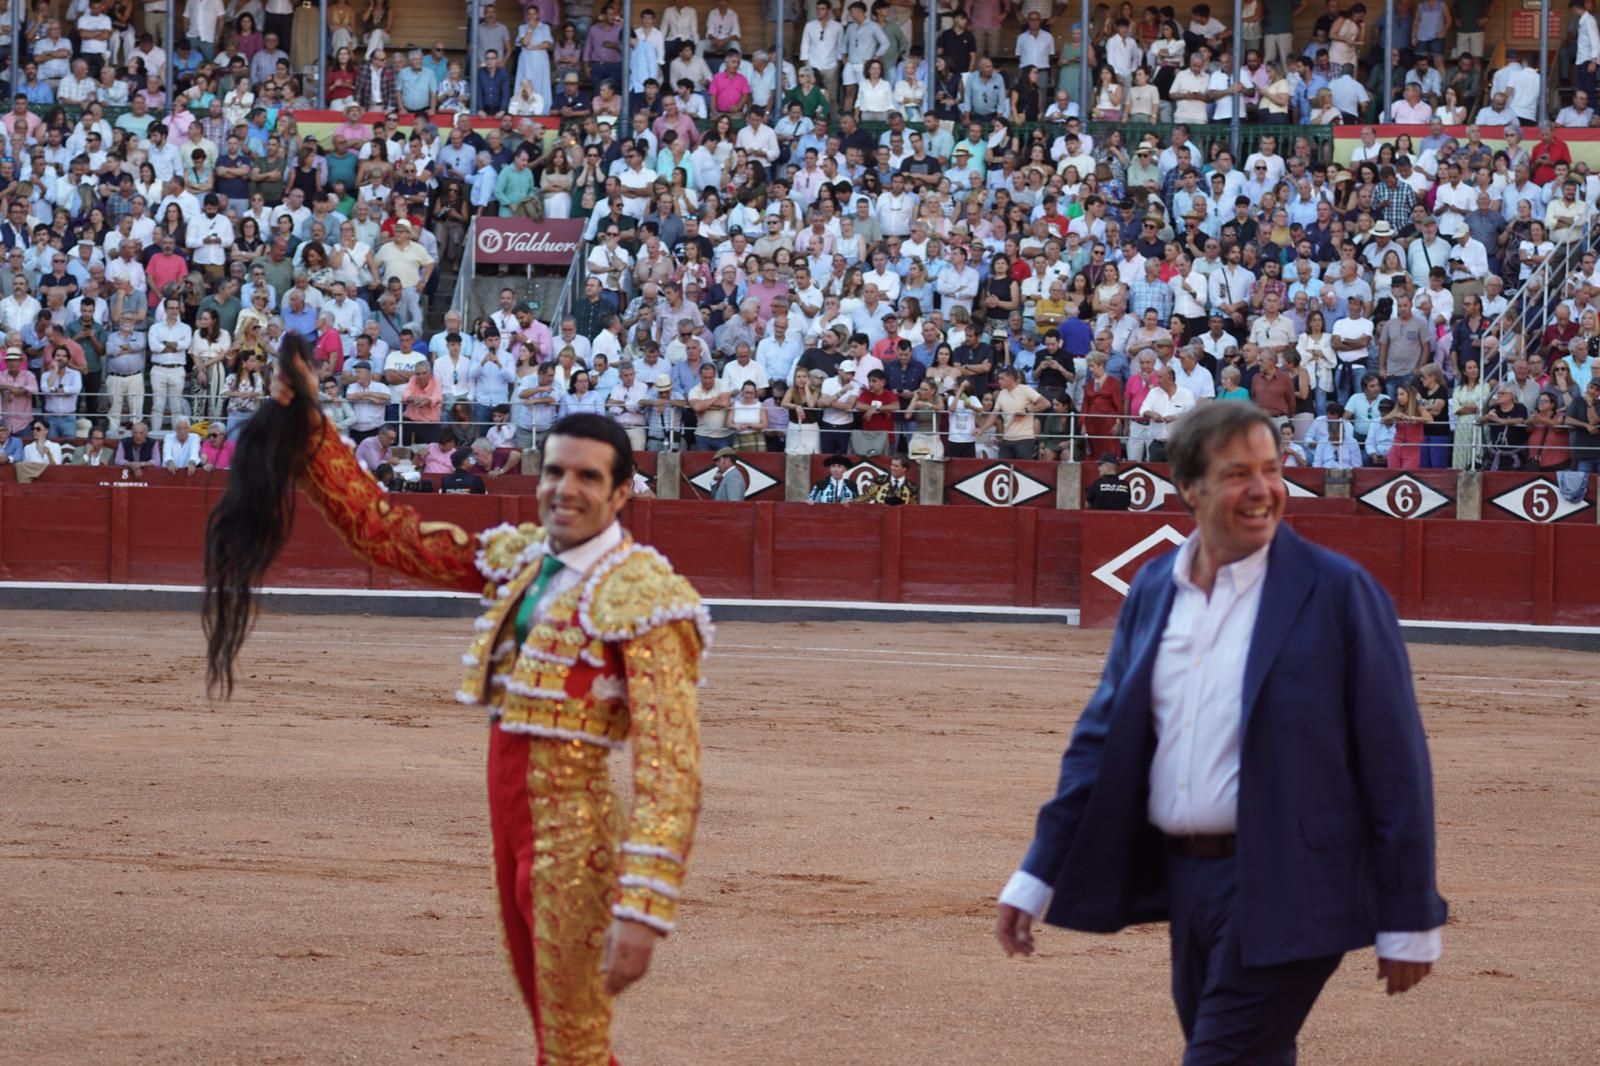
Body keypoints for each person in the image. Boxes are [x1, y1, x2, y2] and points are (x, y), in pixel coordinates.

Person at [202, 337, 707, 1066]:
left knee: (573, 1040)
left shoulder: (648, 598)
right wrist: (309, 424)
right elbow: (385, 532)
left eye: (588, 477)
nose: (566, 488)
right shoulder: (523, 561)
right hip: (510, 822)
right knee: (554, 1031)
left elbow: (672, 764)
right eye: (556, 471)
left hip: (575, 835)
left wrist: (646, 905)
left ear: (622, 491)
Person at [996, 402, 1445, 1064]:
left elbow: (1395, 762)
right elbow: (1100, 740)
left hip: (1293, 881)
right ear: (1191, 489)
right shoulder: (1156, 588)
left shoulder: (1339, 593)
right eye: (1239, 473)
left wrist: (1410, 914)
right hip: (1187, 880)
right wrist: (1038, 873)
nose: (1263, 490)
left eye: (1272, 469)